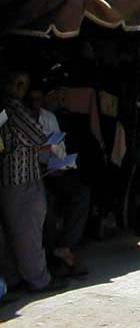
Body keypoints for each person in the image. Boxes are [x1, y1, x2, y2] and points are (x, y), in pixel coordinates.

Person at [0, 70, 65, 293]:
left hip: (12, 178)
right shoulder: (14, 109)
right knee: (28, 233)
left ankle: (15, 278)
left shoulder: (6, 110)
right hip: (22, 178)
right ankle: (39, 280)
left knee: (14, 232)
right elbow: (37, 135)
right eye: (20, 84)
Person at [29, 85, 91, 278]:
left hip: (53, 171)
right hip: (33, 175)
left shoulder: (49, 117)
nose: (36, 104)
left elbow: (59, 147)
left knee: (81, 194)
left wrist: (60, 165)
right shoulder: (19, 119)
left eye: (39, 100)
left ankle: (65, 247)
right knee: (47, 205)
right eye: (33, 100)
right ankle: (56, 254)